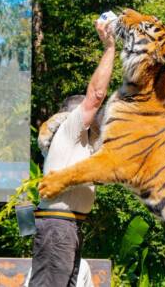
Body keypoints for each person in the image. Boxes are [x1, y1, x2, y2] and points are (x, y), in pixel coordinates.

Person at [29, 19, 115, 287]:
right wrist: (110, 47)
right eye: (94, 114)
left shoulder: (81, 147)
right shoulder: (71, 128)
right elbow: (97, 94)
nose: (99, 117)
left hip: (67, 227)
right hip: (58, 227)